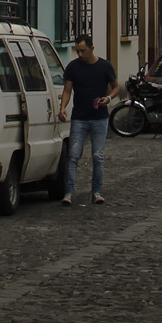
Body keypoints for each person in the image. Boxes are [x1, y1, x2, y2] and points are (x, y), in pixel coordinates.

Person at [58, 34, 118, 206]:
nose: (80, 54)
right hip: (80, 117)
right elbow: (67, 90)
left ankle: (96, 192)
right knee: (73, 156)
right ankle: (68, 193)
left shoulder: (104, 66)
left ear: (91, 48)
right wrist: (63, 107)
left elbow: (116, 87)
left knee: (98, 156)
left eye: (82, 51)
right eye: (77, 51)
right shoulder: (73, 67)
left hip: (100, 118)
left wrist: (108, 98)